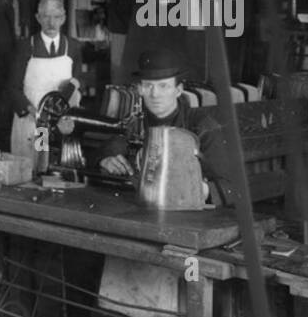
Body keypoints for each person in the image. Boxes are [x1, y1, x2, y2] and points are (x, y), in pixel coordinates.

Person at [97, 48, 237, 206]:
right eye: (148, 86)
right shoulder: (132, 122)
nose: (155, 94)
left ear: (178, 90)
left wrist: (199, 190)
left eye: (163, 86)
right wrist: (106, 160)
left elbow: (231, 187)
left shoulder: (202, 127)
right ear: (140, 89)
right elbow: (109, 147)